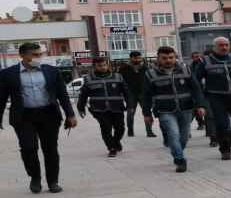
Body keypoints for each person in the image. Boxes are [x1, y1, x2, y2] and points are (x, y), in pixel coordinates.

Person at [0, 43, 78, 194]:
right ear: (22, 55)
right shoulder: (7, 74)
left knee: (50, 149)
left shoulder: (51, 71)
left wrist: (70, 114)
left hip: (48, 115)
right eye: (34, 55)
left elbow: (62, 94)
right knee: (28, 148)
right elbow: (1, 97)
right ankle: (35, 177)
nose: (39, 58)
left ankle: (53, 181)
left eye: (40, 54)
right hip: (23, 117)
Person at [142, 47, 205, 172]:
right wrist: (146, 113)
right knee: (173, 134)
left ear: (175, 57)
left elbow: (196, 89)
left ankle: (177, 150)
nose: (168, 60)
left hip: (186, 108)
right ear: (158, 58)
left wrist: (200, 105)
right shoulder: (151, 74)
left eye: (171, 57)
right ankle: (180, 159)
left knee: (184, 137)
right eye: (164, 58)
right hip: (165, 110)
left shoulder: (185, 69)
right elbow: (146, 95)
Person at [195, 37, 231, 160]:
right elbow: (196, 81)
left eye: (226, 45)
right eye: (220, 45)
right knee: (222, 124)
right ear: (214, 47)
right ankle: (225, 149)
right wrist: (201, 98)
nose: (224, 47)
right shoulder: (205, 61)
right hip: (216, 96)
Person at [77, 57, 133, 157]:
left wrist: (130, 105)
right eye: (99, 66)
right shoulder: (88, 78)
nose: (102, 67)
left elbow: (126, 92)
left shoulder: (117, 77)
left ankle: (115, 142)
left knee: (120, 128)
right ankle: (111, 148)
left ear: (107, 65)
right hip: (99, 109)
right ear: (94, 67)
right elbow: (83, 94)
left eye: (104, 65)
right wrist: (81, 107)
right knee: (106, 128)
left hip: (117, 107)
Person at [119, 51, 157, 137]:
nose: (138, 59)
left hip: (144, 93)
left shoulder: (146, 67)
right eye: (135, 58)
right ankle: (130, 131)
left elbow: (151, 80)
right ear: (131, 58)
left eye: (139, 58)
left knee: (147, 112)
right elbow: (120, 81)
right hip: (130, 93)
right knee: (130, 112)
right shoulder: (124, 68)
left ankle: (149, 131)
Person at [190, 51, 205, 131]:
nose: (197, 58)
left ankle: (204, 124)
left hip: (203, 89)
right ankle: (201, 123)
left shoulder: (202, 64)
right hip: (195, 89)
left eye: (198, 56)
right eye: (195, 57)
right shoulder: (191, 66)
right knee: (196, 108)